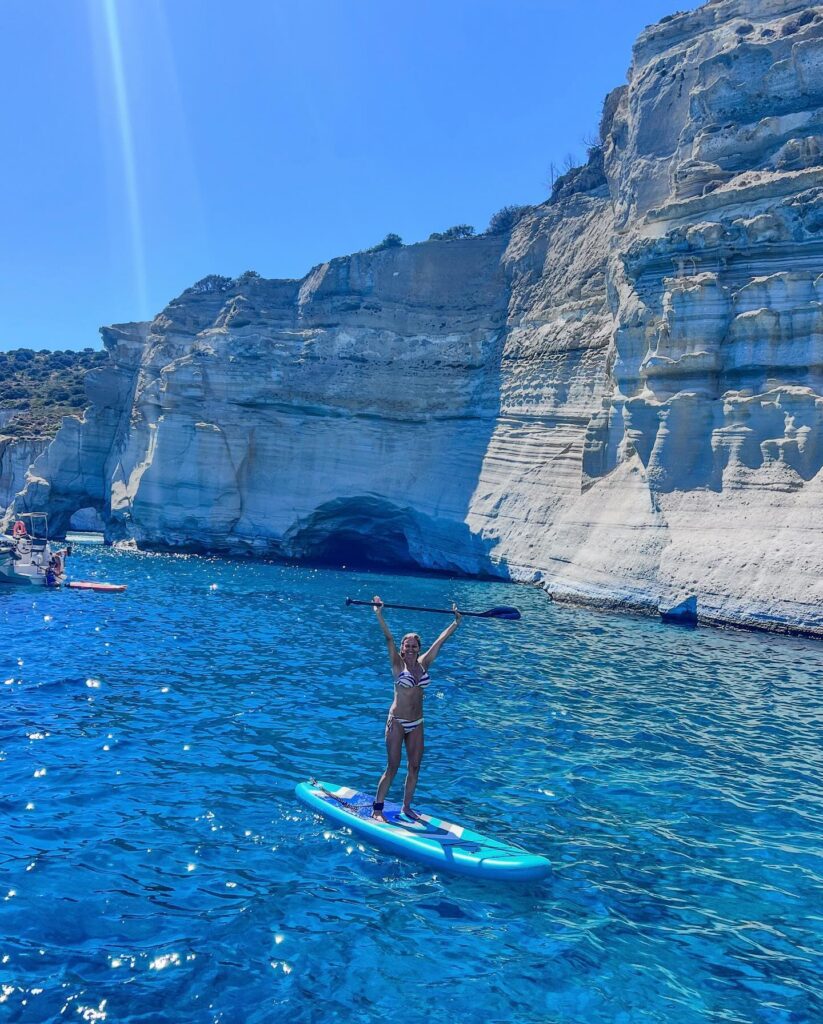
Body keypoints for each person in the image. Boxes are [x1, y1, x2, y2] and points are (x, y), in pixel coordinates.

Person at [371, 594, 461, 822]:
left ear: (418, 647)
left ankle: (406, 807)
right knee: (393, 766)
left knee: (415, 767)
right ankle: (378, 810)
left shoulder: (424, 663)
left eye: (414, 646)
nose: (410, 648)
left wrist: (456, 623)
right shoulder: (397, 664)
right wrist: (379, 614)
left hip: (417, 723)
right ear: (402, 649)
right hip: (397, 722)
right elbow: (388, 638)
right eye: (407, 645)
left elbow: (440, 642)